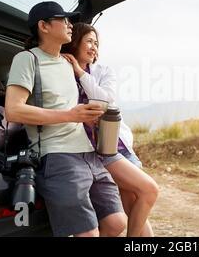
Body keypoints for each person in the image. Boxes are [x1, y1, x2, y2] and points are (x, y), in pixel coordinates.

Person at [5, 2, 127, 237]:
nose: (70, 25)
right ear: (44, 26)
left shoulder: (67, 62)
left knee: (117, 223)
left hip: (89, 154)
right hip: (58, 155)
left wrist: (86, 118)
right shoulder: (27, 59)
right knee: (88, 234)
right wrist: (71, 115)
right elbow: (13, 110)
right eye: (64, 19)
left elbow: (68, 105)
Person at [61, 22, 159, 237]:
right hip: (95, 150)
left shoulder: (103, 71)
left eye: (96, 43)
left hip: (117, 144)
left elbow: (105, 100)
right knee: (143, 194)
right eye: (88, 41)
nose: (94, 47)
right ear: (75, 42)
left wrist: (79, 72)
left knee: (136, 199)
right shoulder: (61, 71)